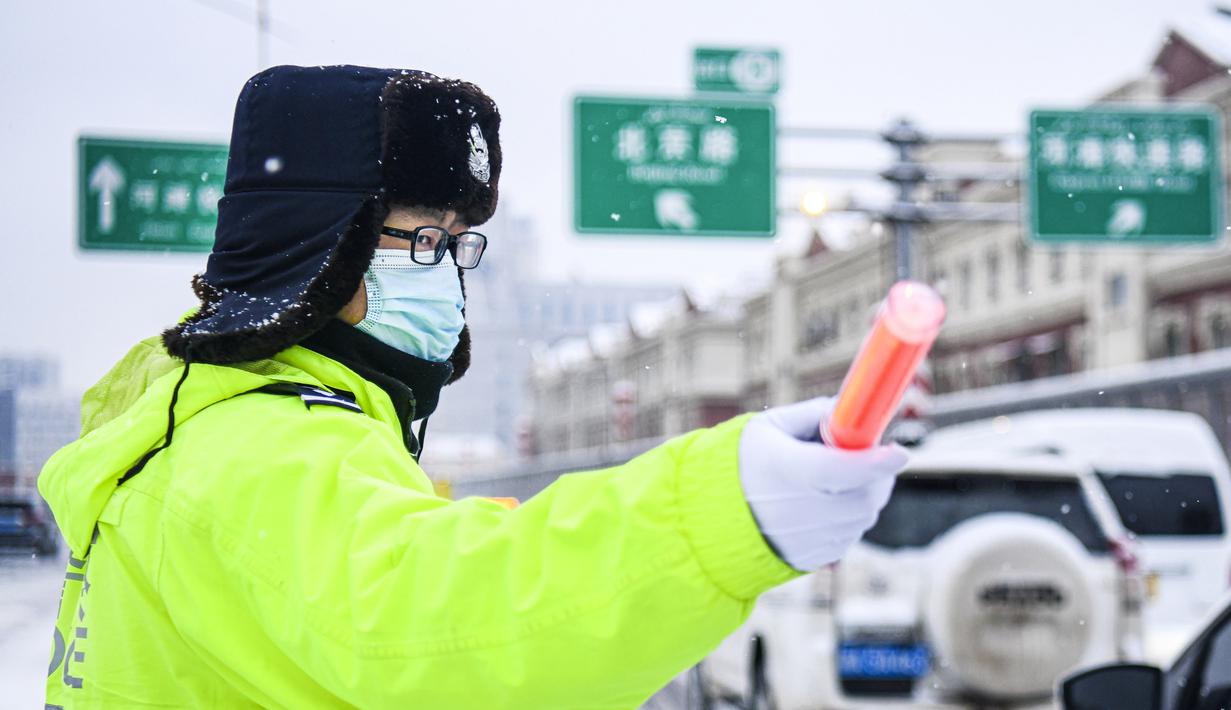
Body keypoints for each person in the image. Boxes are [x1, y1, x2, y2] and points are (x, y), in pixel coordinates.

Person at [40, 65, 908, 709]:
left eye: (459, 245)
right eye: (423, 240)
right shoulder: (258, 448)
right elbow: (449, 618)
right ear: (320, 245)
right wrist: (719, 512)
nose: (447, 275)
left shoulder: (209, 429)